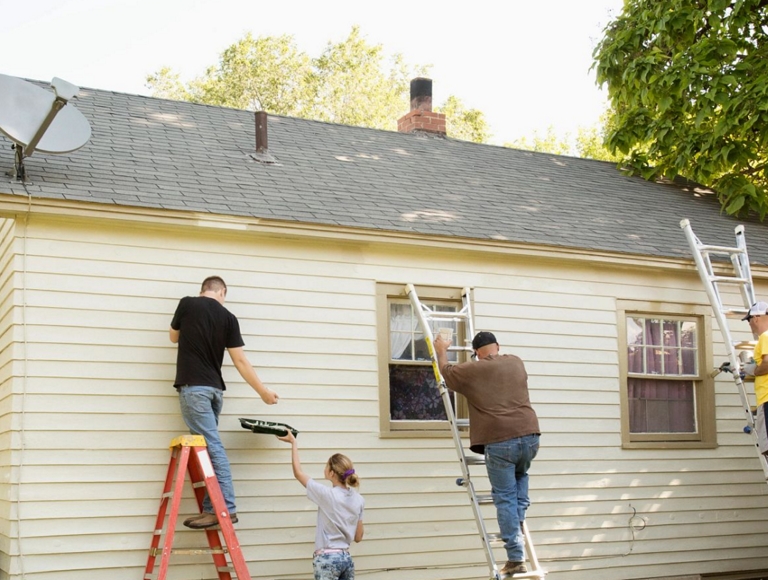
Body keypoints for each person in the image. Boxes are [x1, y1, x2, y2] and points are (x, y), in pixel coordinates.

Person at [170, 275, 279, 529]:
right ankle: (212, 508)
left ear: (202, 290)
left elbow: (173, 338)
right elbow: (240, 361)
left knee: (213, 448)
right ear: (223, 293)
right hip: (215, 392)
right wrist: (262, 392)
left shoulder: (187, 304)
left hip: (194, 389)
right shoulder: (228, 317)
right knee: (209, 448)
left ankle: (226, 508)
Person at [434, 330, 540, 577]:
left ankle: (515, 558)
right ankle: (517, 525)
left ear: (476, 353)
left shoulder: (473, 369)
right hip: (530, 436)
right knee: (520, 481)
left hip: (500, 440)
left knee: (504, 498)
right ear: (498, 346)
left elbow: (447, 373)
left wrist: (442, 349)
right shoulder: (516, 362)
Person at [277, 430, 364, 580]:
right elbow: (358, 537)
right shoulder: (359, 499)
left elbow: (298, 473)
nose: (324, 469)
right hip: (346, 559)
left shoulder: (327, 495)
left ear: (331, 473)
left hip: (327, 559)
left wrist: (293, 443)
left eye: (326, 466)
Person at [743, 301, 768, 456]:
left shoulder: (765, 336)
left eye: (748, 320)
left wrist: (753, 370)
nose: (749, 324)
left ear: (756, 318)